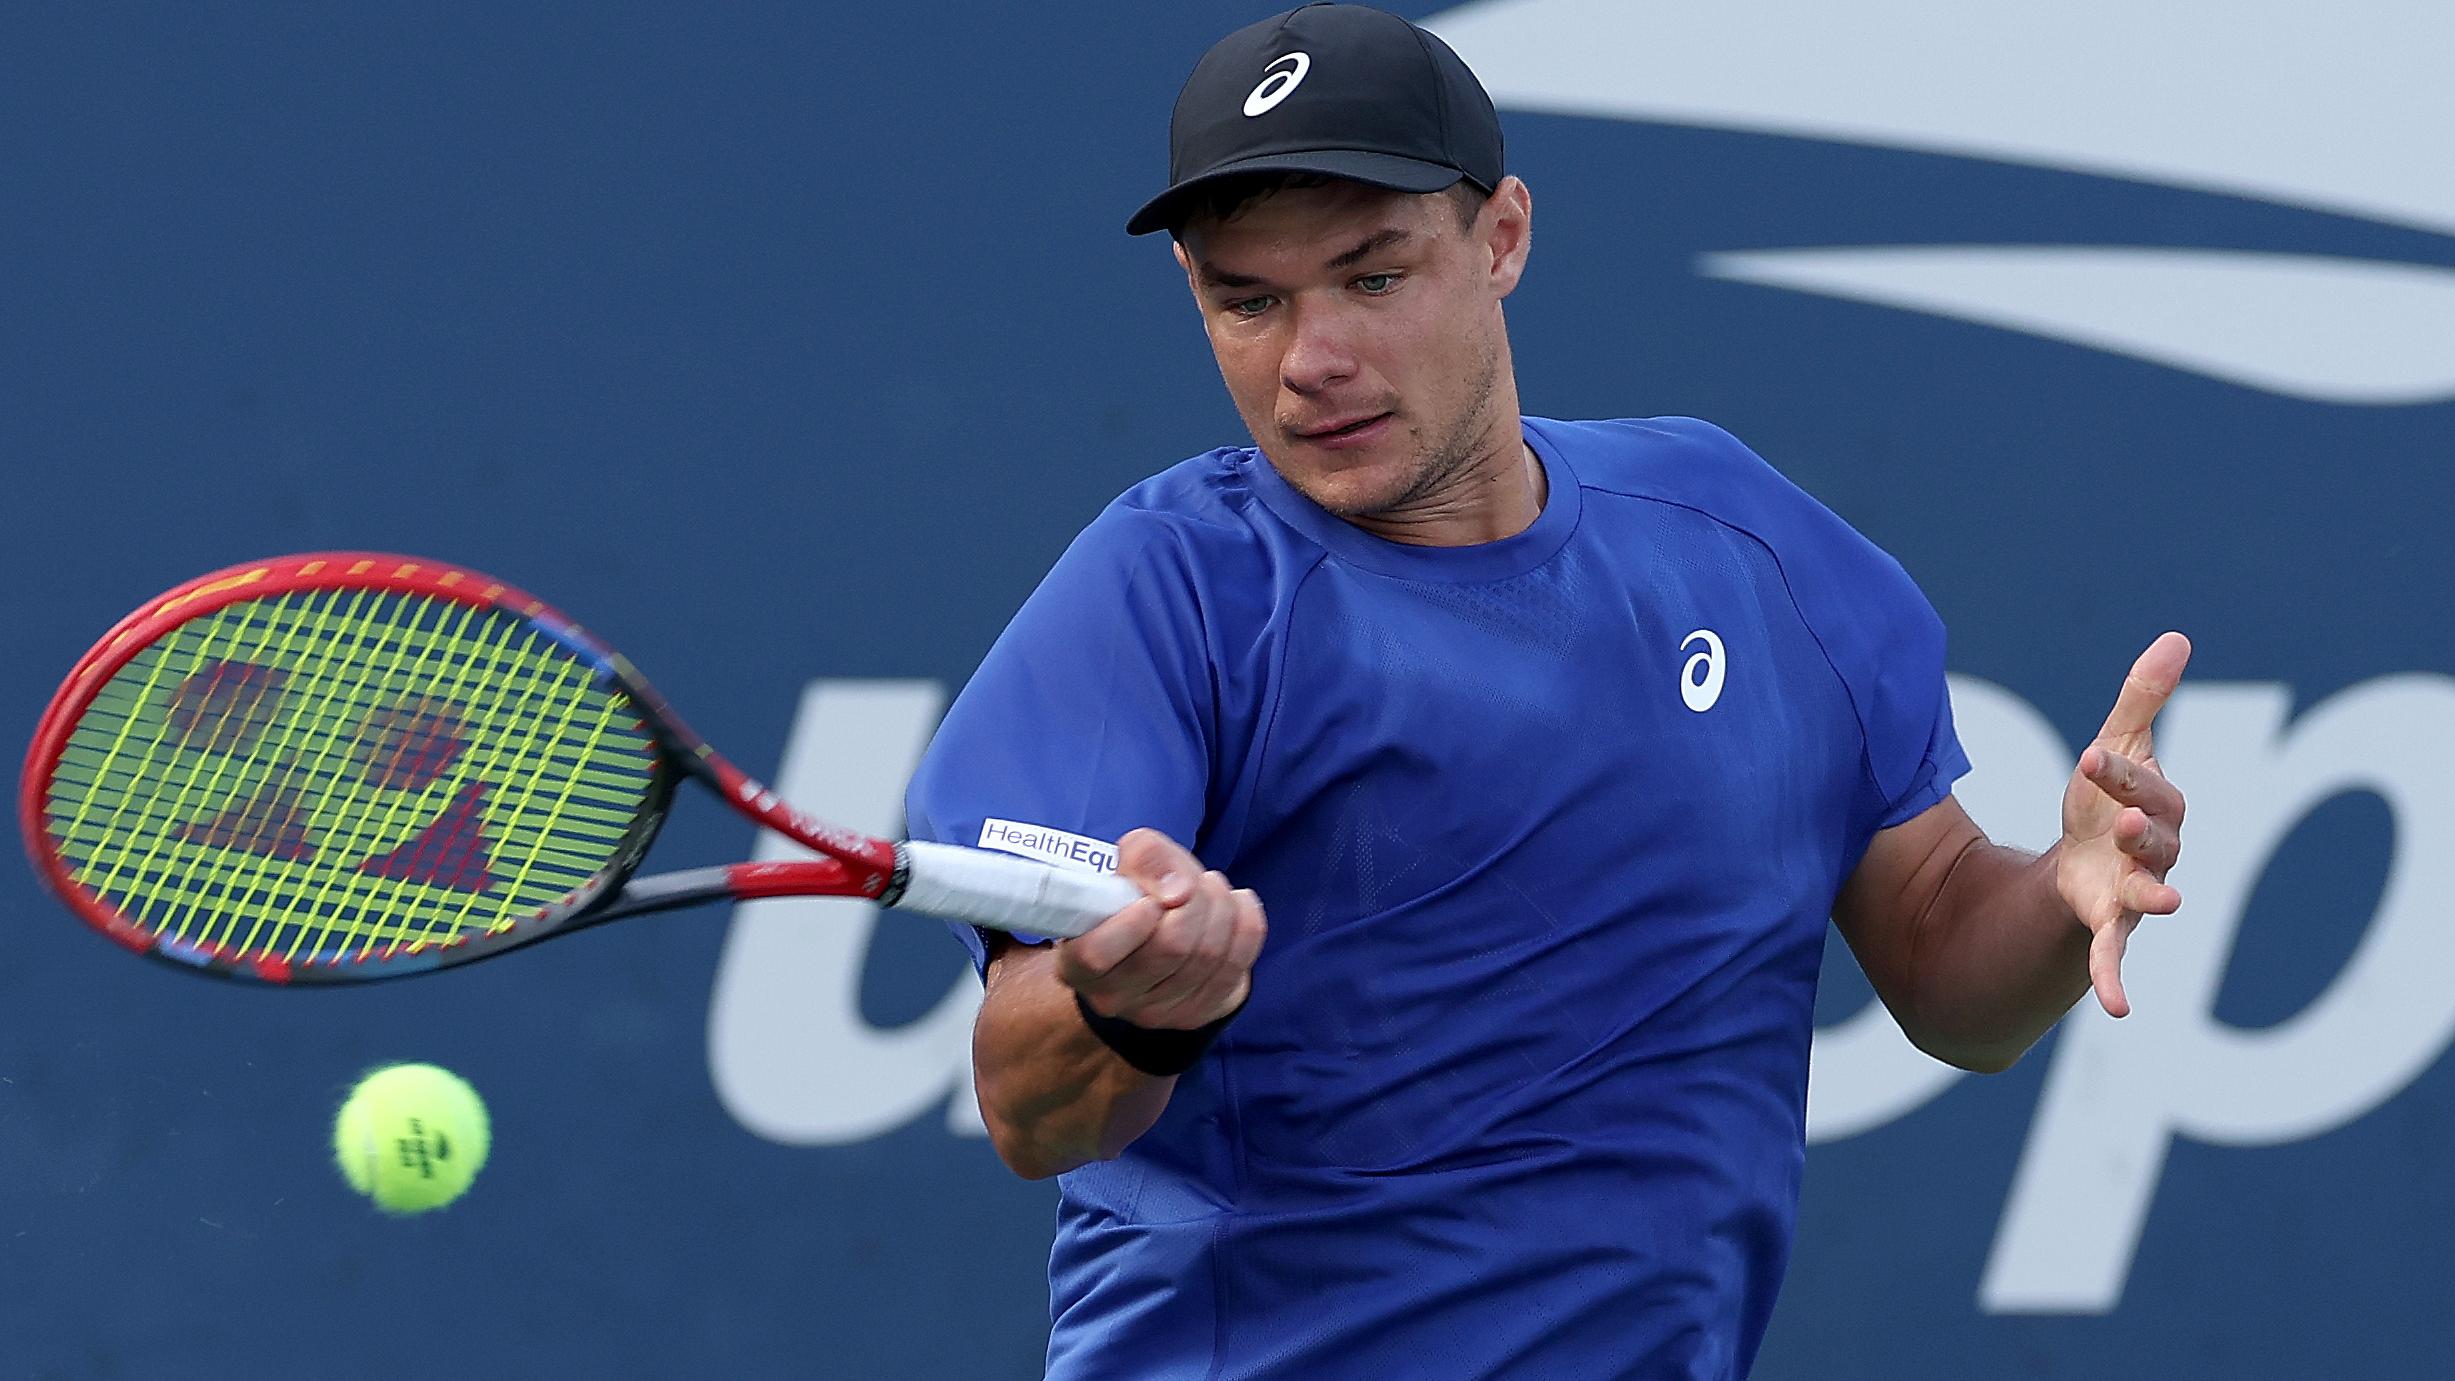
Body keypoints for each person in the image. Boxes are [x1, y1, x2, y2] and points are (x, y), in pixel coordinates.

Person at [904, 5, 2190, 1377]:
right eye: (1248, 299)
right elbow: (1029, 1106)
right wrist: (1130, 1001)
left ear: (1501, 237)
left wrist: (2060, 890)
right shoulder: (1160, 595)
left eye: (1371, 277)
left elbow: (1944, 965)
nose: (1308, 360)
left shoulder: (1740, 542)